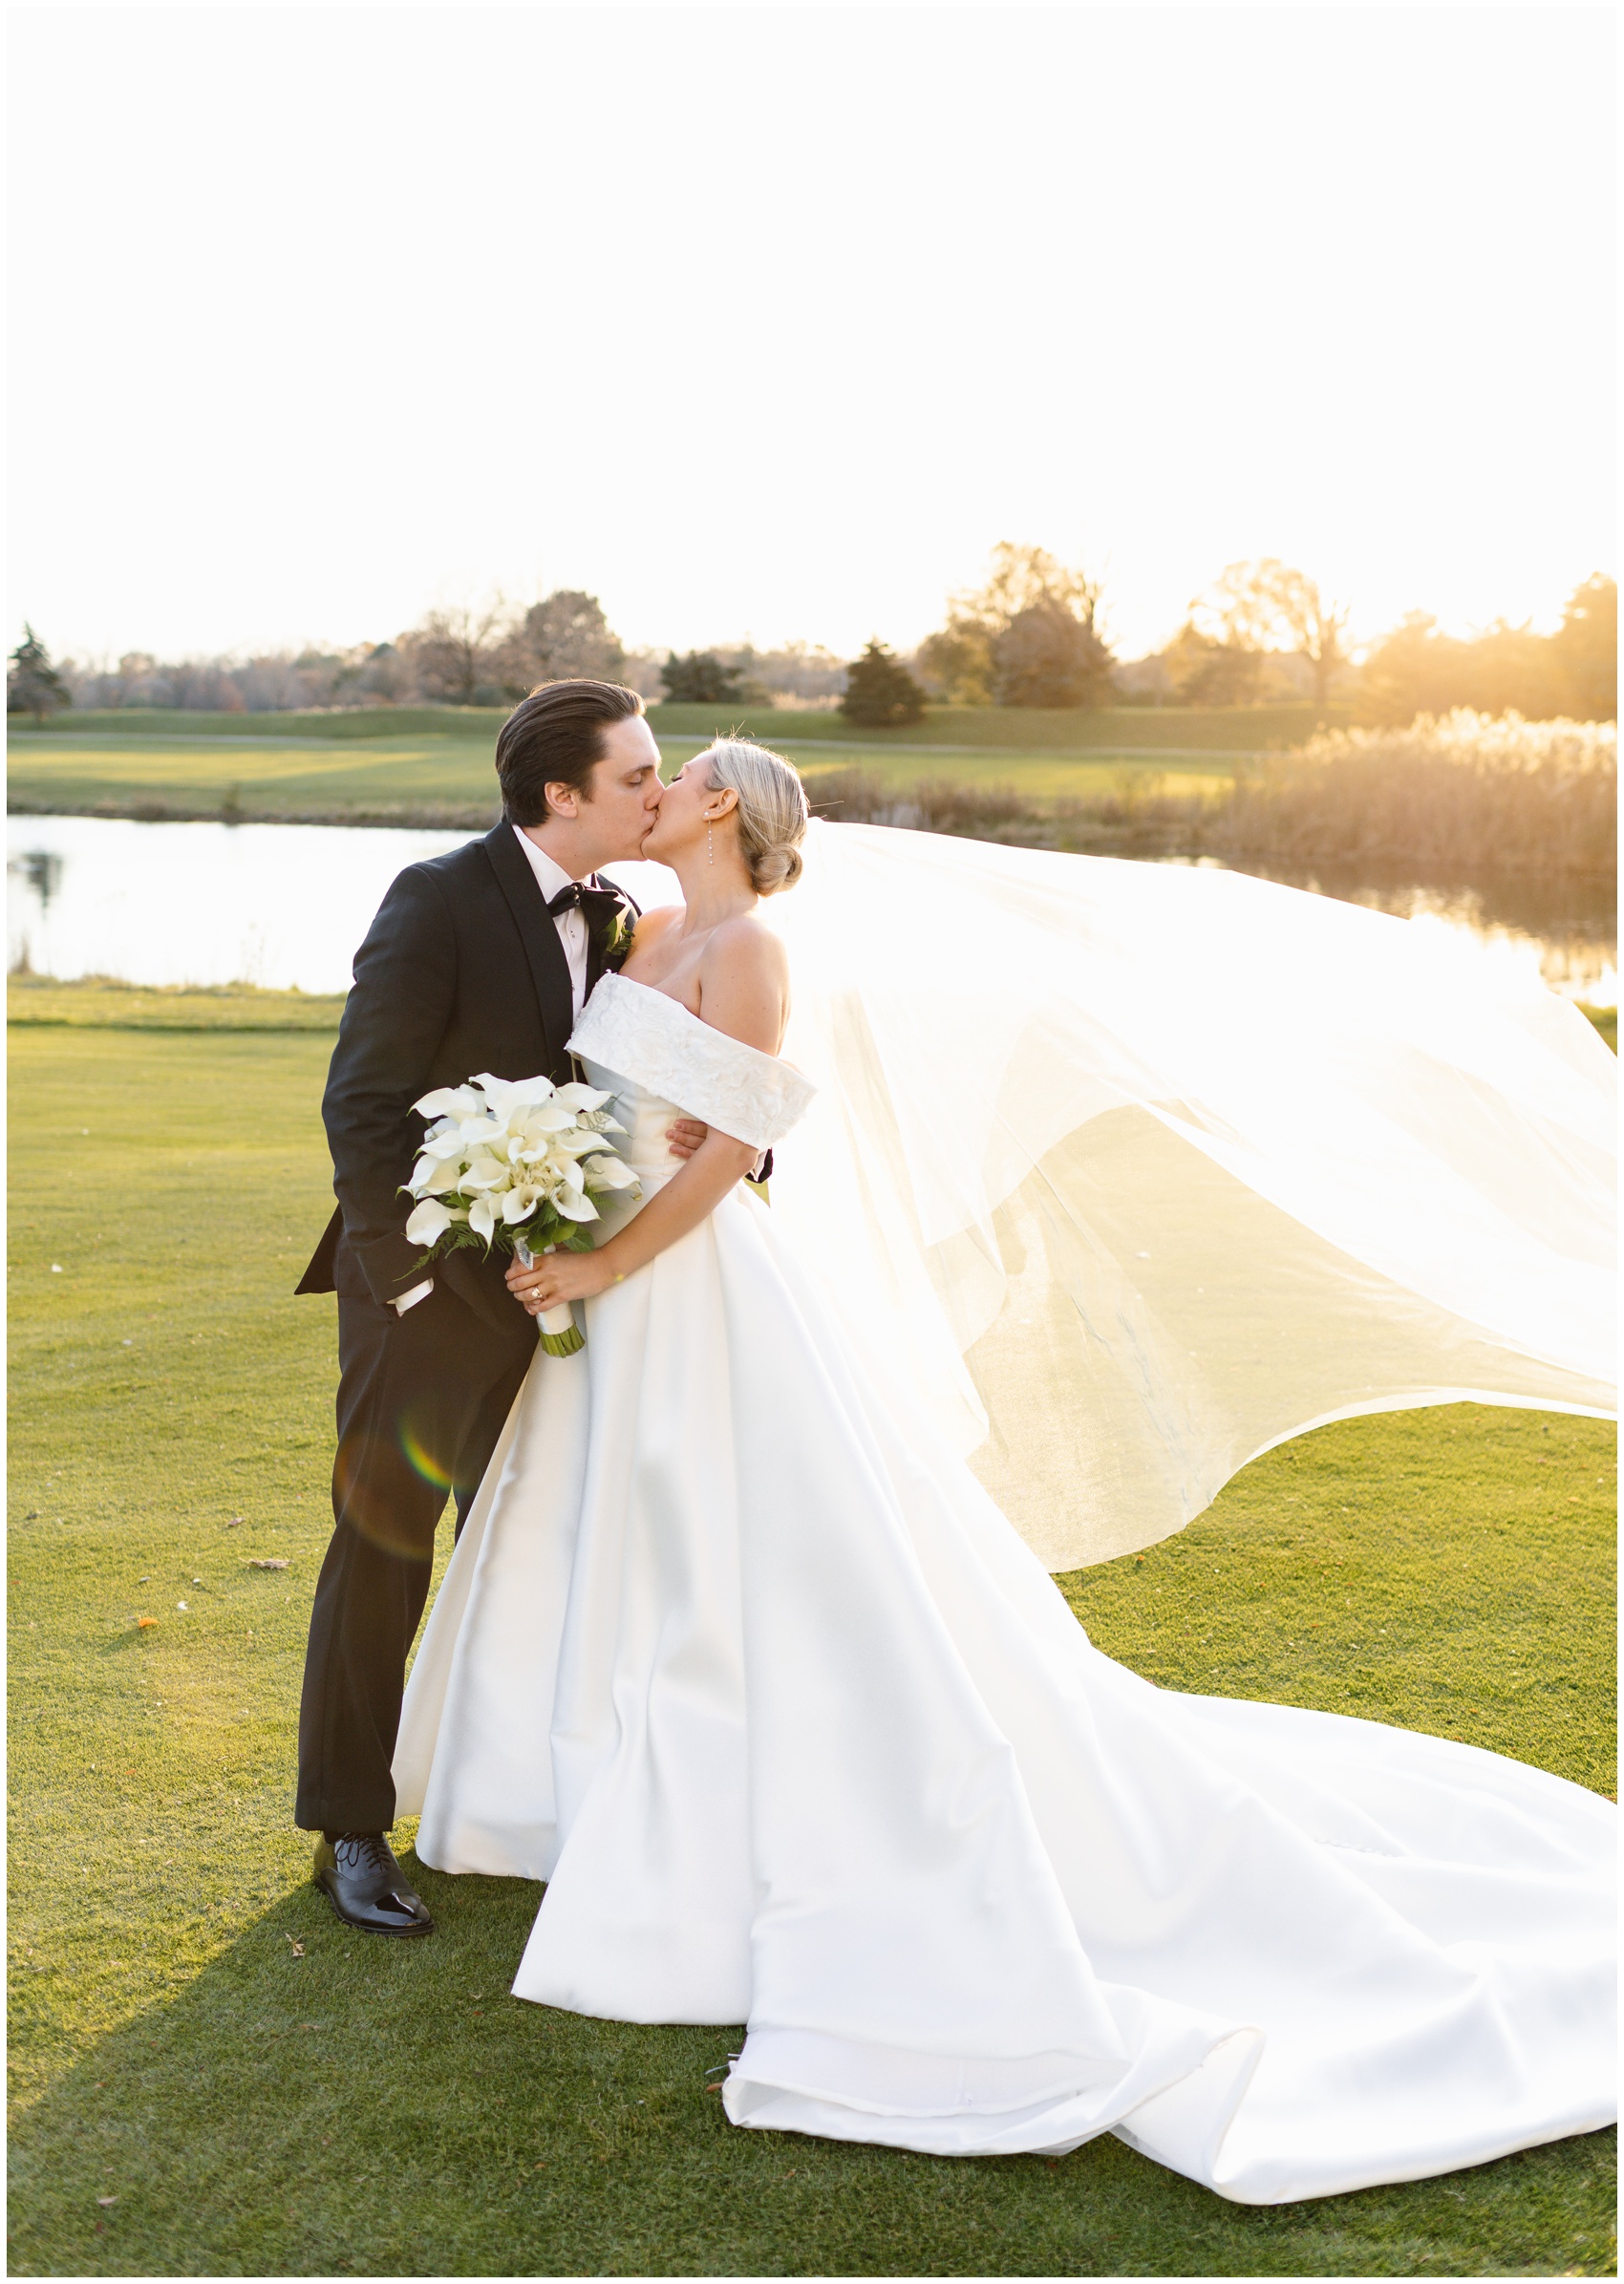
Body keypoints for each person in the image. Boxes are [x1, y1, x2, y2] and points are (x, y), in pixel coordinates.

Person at [393, 736, 1615, 2204]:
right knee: (612, 1533)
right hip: (605, 1287)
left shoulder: (755, 952)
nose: (647, 789)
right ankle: (579, 1799)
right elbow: (623, 1112)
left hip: (688, 1283)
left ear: (719, 804)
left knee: (730, 1545)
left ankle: (709, 1825)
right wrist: (544, 1204)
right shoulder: (648, 932)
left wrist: (604, 1251)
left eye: (674, 773)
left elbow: (732, 1155)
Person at [292, 679, 710, 1934]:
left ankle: (513, 1801)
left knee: (532, 1546)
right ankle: (349, 1829)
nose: (660, 790)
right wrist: (409, 1280)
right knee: (386, 1546)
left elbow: (653, 1078)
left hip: (571, 1290)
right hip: (425, 1293)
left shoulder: (635, 909)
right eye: (638, 776)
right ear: (560, 794)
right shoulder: (436, 901)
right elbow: (361, 1106)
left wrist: (719, 1140)